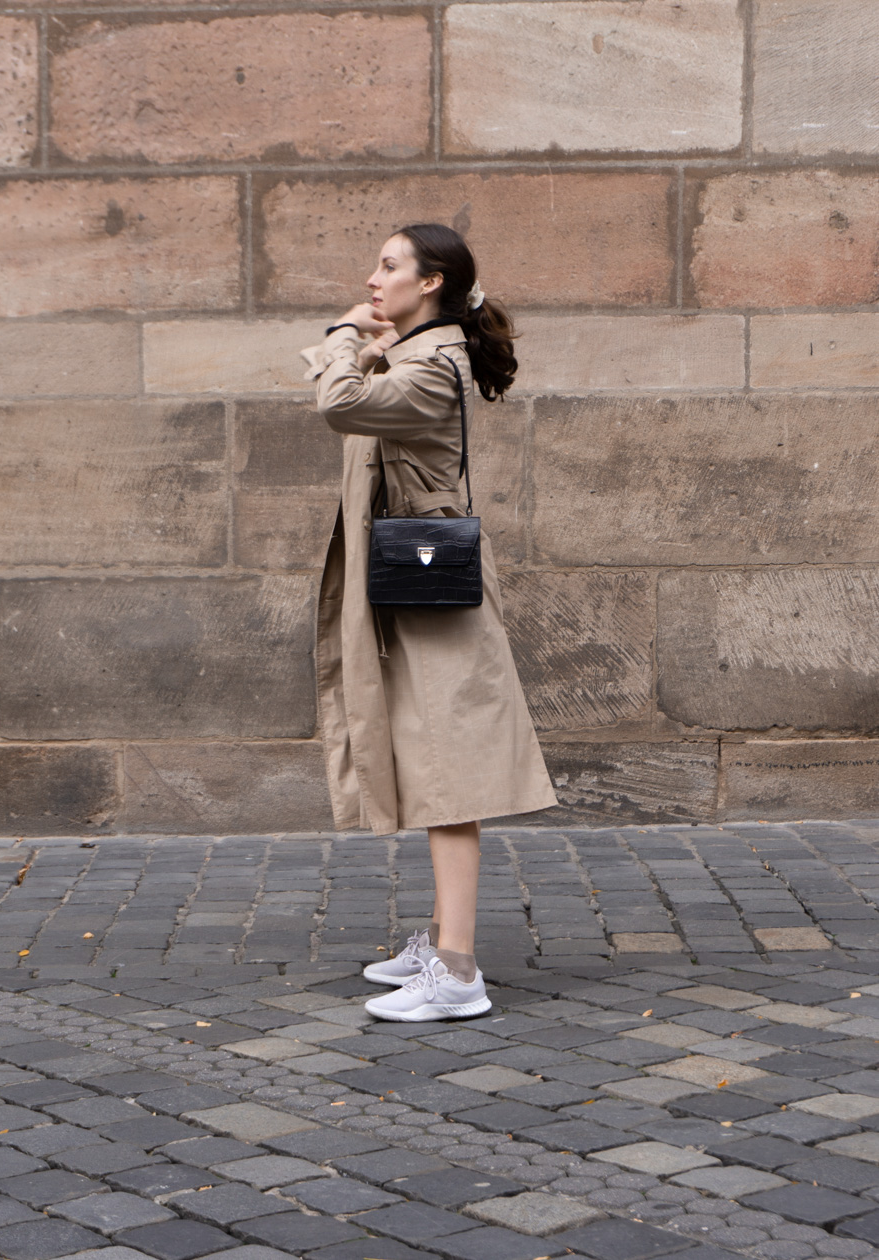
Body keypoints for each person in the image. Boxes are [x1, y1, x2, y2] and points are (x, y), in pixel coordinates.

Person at [301, 223, 557, 1022]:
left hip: (432, 597)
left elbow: (339, 402)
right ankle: (442, 938)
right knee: (428, 760)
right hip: (409, 594)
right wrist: (374, 340)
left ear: (433, 281)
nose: (372, 280)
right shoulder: (416, 358)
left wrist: (345, 335)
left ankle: (458, 971)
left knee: (450, 777)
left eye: (388, 267)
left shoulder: (432, 371)